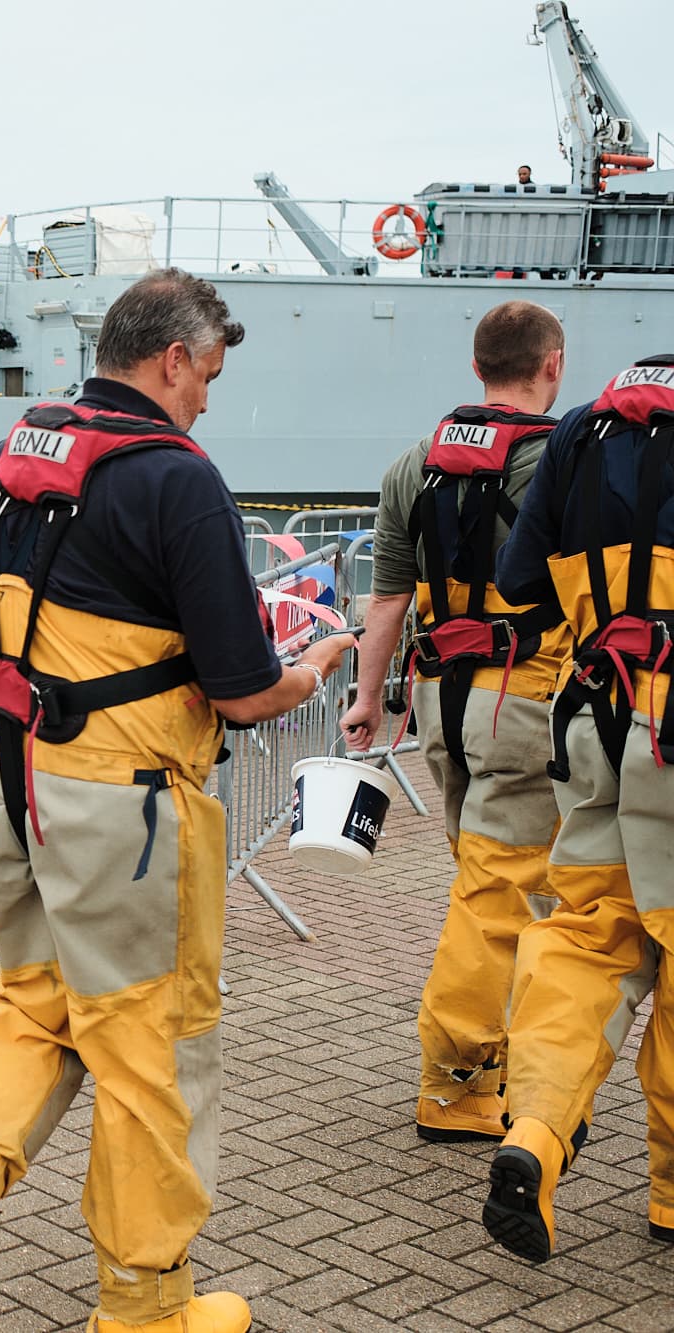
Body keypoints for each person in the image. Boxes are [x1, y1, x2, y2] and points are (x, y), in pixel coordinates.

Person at [0, 270, 354, 1333]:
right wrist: (316, 666)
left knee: (32, 1006)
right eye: (207, 379)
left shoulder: (5, 459)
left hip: (10, 788)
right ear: (171, 360)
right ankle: (145, 1307)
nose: (206, 403)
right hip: (124, 811)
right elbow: (238, 690)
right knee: (150, 1050)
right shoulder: (177, 479)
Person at [339, 301, 571, 1144]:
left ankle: (493, 1059)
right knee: (499, 891)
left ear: (477, 368)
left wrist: (367, 699)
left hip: (443, 703)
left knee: (481, 877)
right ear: (553, 364)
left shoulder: (415, 465)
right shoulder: (561, 460)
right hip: (527, 698)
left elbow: (388, 599)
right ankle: (459, 1081)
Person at [481, 353, 674, 1261]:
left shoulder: (582, 430)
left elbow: (520, 586)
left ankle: (537, 1131)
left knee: (590, 933)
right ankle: (670, 1193)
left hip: (601, 719)